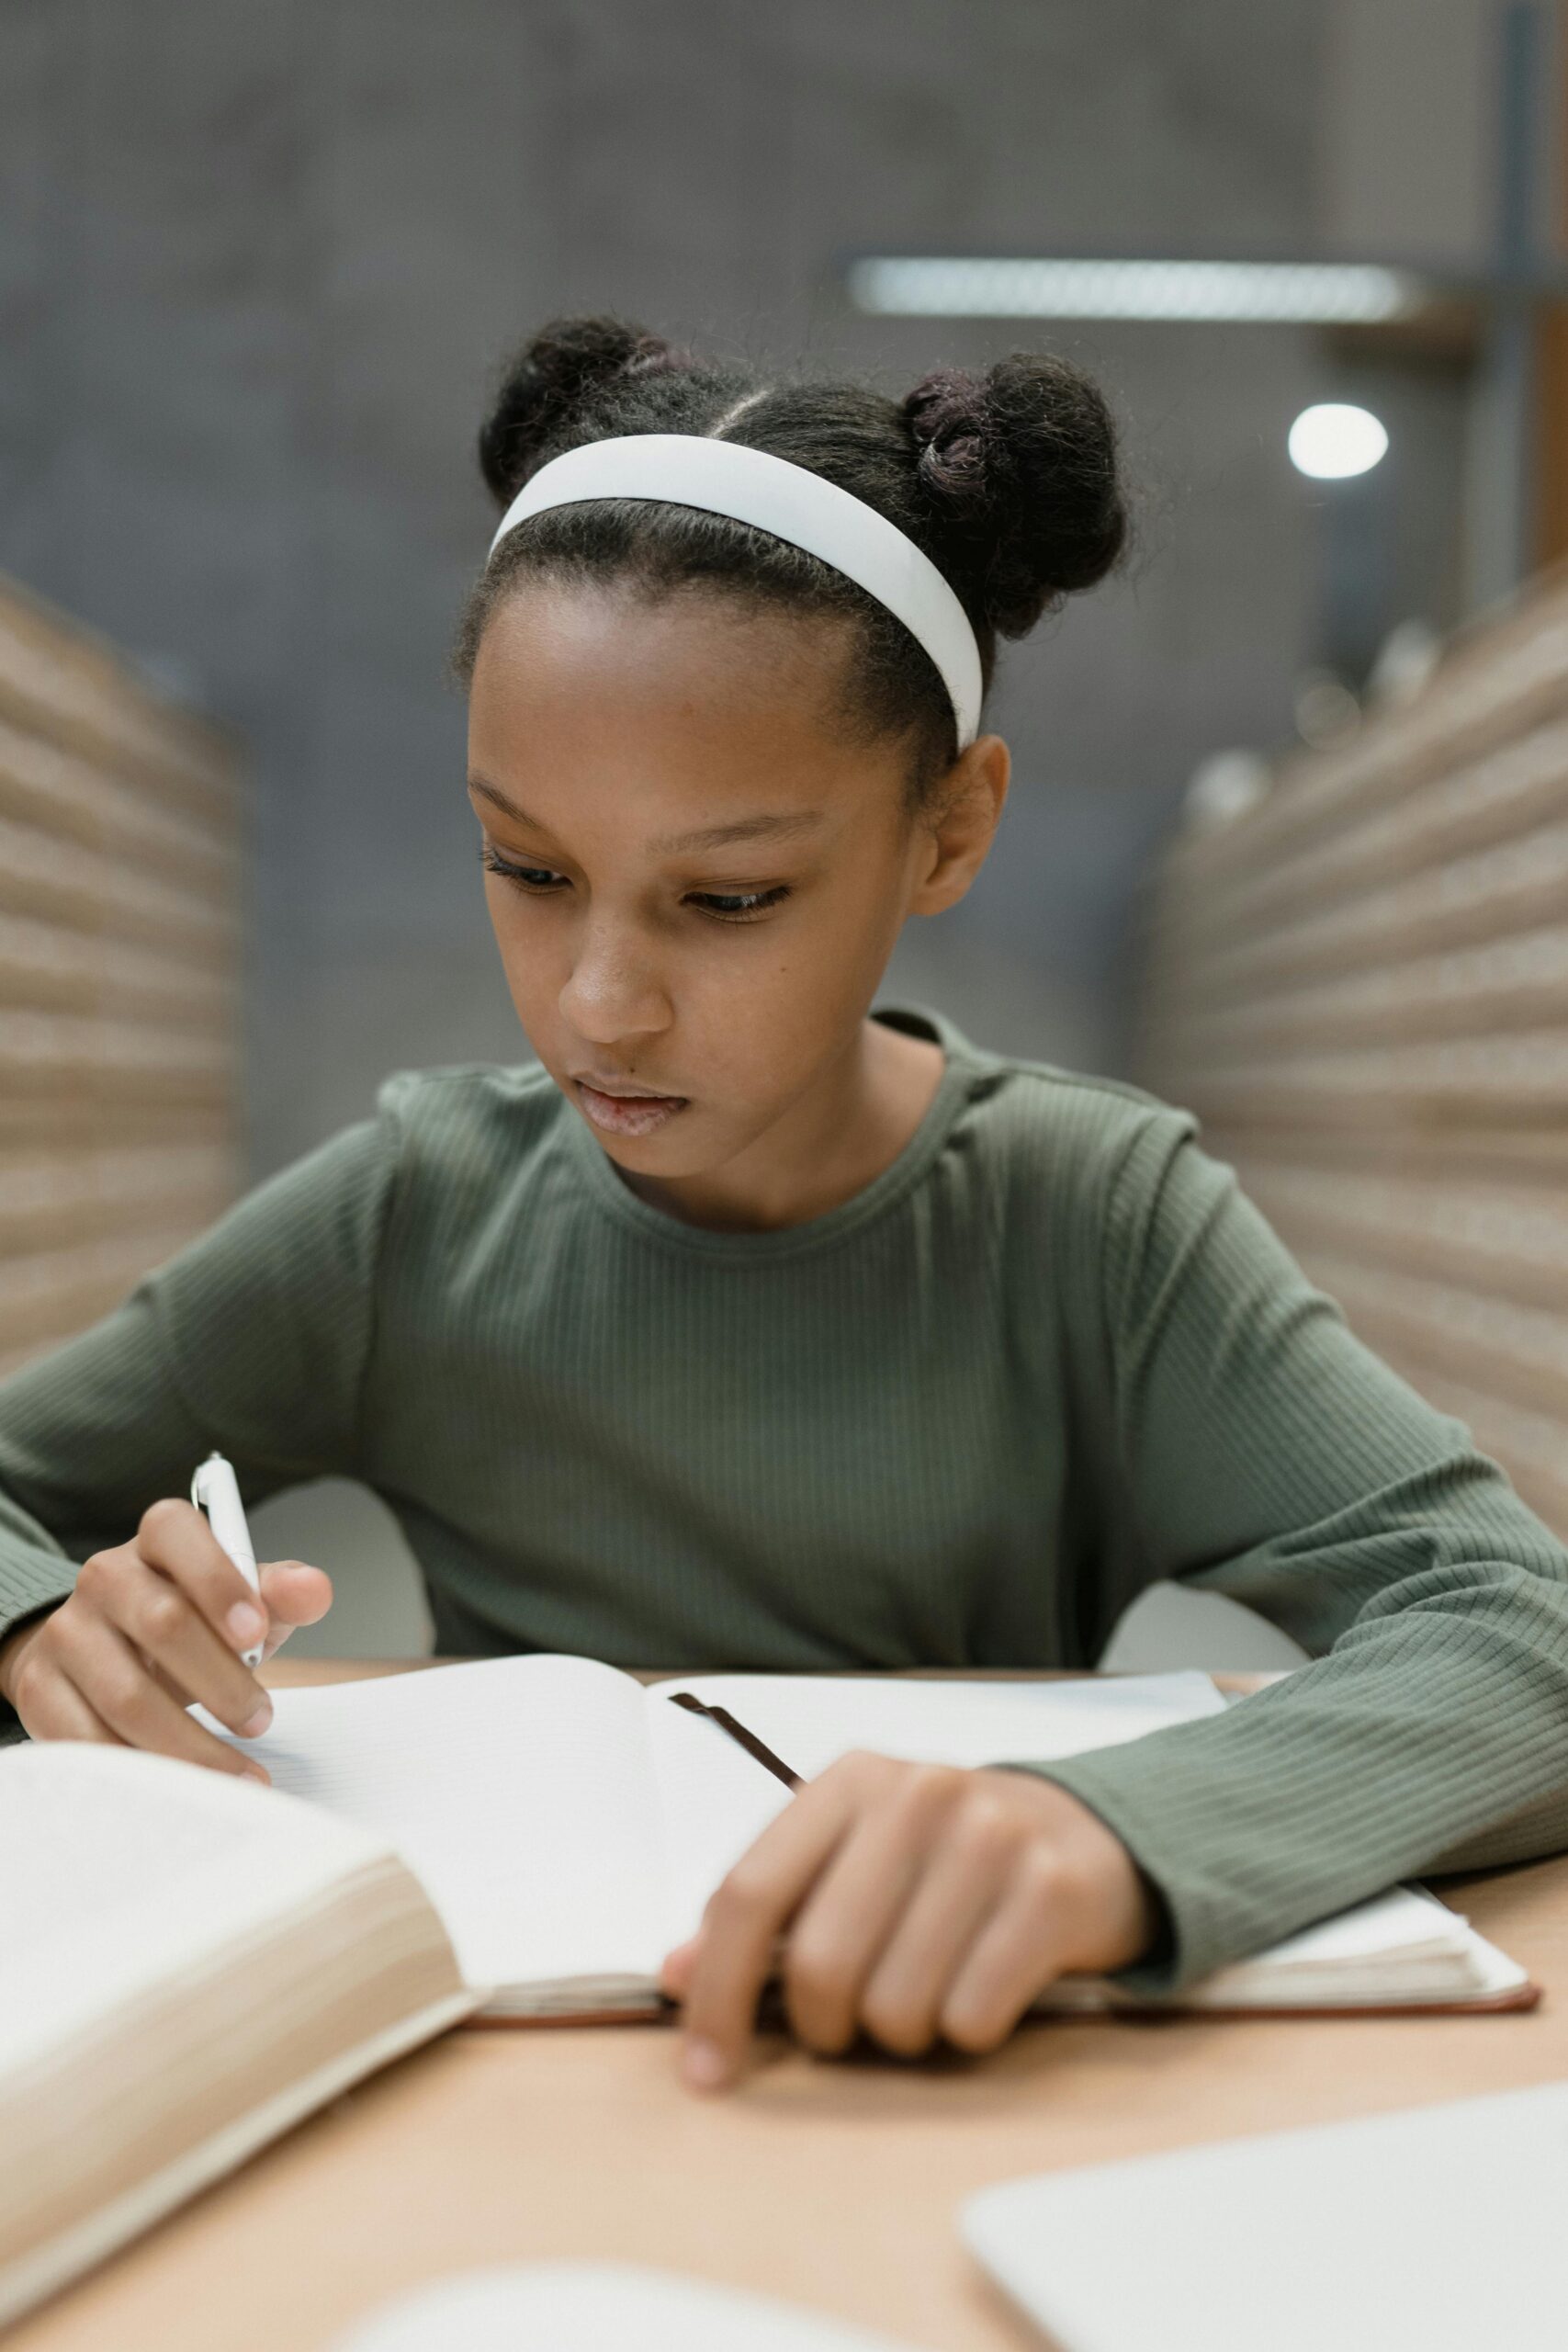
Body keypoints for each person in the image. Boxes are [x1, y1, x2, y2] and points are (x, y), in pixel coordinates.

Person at [4, 316, 1568, 2095]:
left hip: (912, 2073)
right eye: (527, 867)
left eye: (727, 897)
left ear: (946, 830)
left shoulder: (1095, 1225)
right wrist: (46, 1622)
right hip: (505, 2068)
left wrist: (1107, 1837)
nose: (599, 997)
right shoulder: (414, 1211)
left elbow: (1519, 1628)